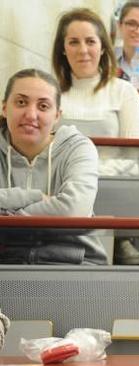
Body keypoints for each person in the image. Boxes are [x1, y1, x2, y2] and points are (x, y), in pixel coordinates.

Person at [52, 8, 139, 265]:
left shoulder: (124, 92)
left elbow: (131, 155)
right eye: (73, 42)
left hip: (113, 185)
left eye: (90, 41)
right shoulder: (50, 93)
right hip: (60, 186)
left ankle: (117, 244)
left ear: (103, 47)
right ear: (62, 49)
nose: (82, 50)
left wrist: (85, 174)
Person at [0, 68, 107, 265]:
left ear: (57, 115)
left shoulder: (78, 148)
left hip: (73, 265)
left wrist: (10, 218)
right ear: (5, 108)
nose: (31, 114)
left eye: (43, 106)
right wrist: (37, 197)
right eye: (21, 102)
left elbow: (74, 211)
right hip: (6, 264)